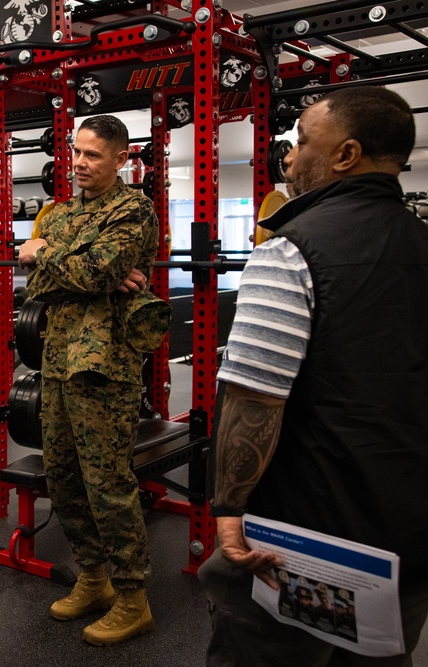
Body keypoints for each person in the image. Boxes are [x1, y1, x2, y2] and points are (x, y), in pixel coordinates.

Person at [199, 86, 428, 666]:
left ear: (346, 154)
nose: (291, 156)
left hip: (305, 537)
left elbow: (254, 400)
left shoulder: (289, 251)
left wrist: (228, 506)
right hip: (407, 531)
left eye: (302, 142)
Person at [18, 115, 166, 646]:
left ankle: (133, 598)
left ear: (121, 159)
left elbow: (96, 270)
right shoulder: (60, 213)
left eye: (93, 155)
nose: (79, 163)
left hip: (105, 363)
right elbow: (41, 284)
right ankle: (94, 579)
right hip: (56, 358)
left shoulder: (134, 210)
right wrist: (72, 265)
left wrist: (44, 253)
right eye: (76, 152)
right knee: (63, 478)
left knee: (108, 485)